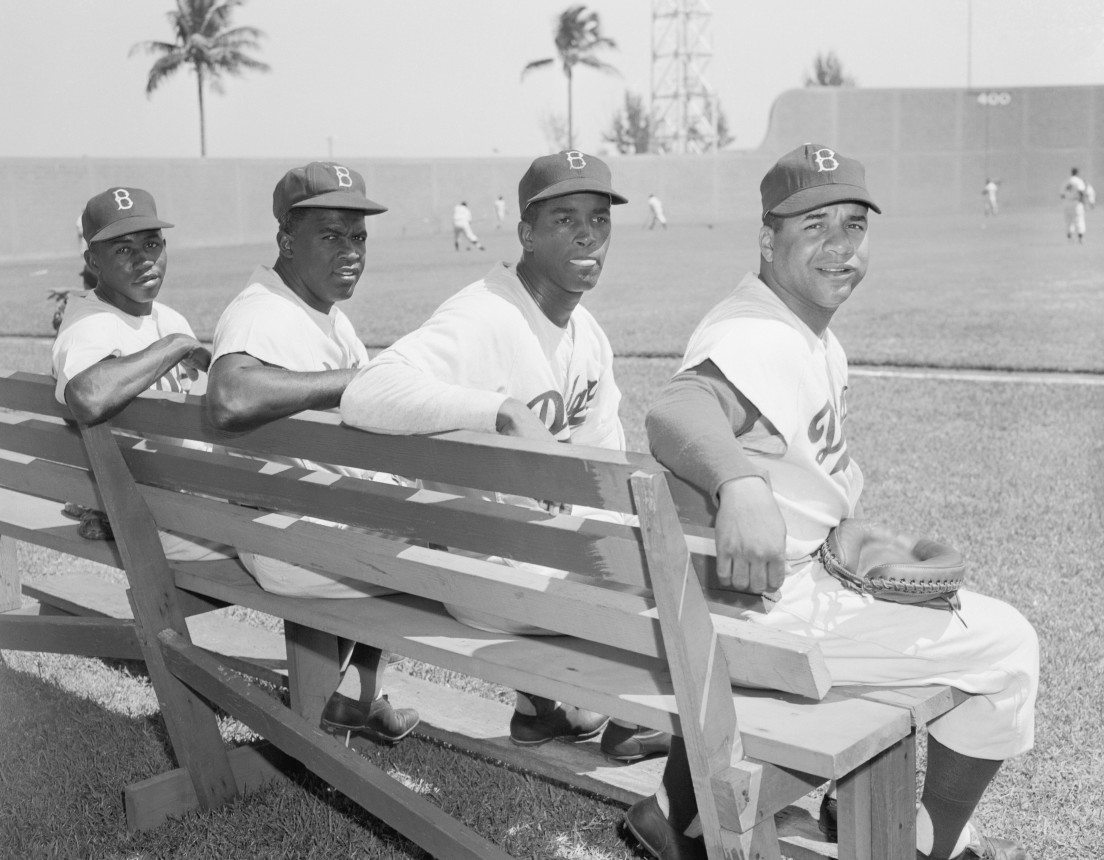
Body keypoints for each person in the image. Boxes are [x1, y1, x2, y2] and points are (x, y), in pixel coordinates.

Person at [622, 144, 1039, 860]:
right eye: (814, 227)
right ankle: (928, 841)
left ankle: (675, 808)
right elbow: (675, 409)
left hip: (724, 603)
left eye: (853, 224)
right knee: (1008, 648)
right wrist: (741, 485)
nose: (841, 247)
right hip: (763, 613)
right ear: (767, 239)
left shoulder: (797, 328)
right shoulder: (757, 334)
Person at [342, 150, 669, 764]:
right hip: (488, 582)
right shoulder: (485, 315)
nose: (587, 233)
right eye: (564, 219)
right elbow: (366, 390)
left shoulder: (586, 336)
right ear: (526, 233)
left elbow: (604, 468)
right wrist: (501, 410)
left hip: (522, 564)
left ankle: (539, 708)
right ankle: (633, 716)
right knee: (685, 587)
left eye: (598, 218)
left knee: (633, 547)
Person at [205, 162, 419, 745]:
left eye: (358, 236)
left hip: (296, 523)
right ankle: (353, 693)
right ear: (286, 241)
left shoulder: (317, 312)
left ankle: (354, 693)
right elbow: (230, 395)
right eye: (330, 235)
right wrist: (361, 379)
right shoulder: (261, 312)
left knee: (419, 503)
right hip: (286, 544)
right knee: (453, 529)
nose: (351, 251)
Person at [51, 187, 233, 561]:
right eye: (122, 250)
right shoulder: (89, 324)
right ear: (93, 261)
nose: (143, 260)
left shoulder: (166, 317)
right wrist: (175, 346)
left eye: (152, 245)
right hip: (152, 516)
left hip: (185, 496)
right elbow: (86, 397)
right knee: (293, 545)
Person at [1060, 167, 1090, 243]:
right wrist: (1084, 202)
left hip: (1066, 203)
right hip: (1076, 203)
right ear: (1077, 173)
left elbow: (1062, 195)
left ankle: (1069, 238)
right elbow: (1081, 192)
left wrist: (1068, 196)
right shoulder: (1078, 181)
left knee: (1068, 221)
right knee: (1079, 220)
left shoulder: (1066, 181)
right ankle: (1080, 238)